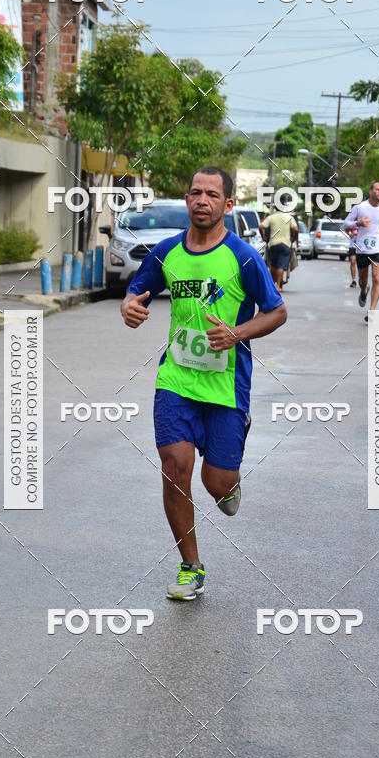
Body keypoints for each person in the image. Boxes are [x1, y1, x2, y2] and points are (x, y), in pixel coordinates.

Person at [121, 166, 287, 601]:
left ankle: (228, 480)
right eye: (195, 192)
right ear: (188, 198)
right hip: (175, 379)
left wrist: (236, 333)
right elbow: (136, 291)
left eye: (212, 194)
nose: (202, 200)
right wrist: (129, 307)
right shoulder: (166, 252)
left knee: (217, 484)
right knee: (175, 469)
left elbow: (276, 312)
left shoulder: (244, 257)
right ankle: (190, 567)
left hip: (226, 387)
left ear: (227, 205)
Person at [344, 182, 379, 322]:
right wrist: (358, 223)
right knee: (363, 280)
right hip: (362, 249)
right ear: (371, 191)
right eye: (377, 189)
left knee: (377, 278)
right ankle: (363, 290)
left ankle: (372, 311)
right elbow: (345, 224)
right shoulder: (360, 207)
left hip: (378, 248)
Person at [259, 200, 298, 292]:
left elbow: (261, 227)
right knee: (281, 266)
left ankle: (272, 285)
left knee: (273, 265)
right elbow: (296, 229)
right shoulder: (289, 217)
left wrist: (263, 237)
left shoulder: (271, 217)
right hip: (285, 244)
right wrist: (293, 238)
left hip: (273, 244)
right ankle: (278, 285)